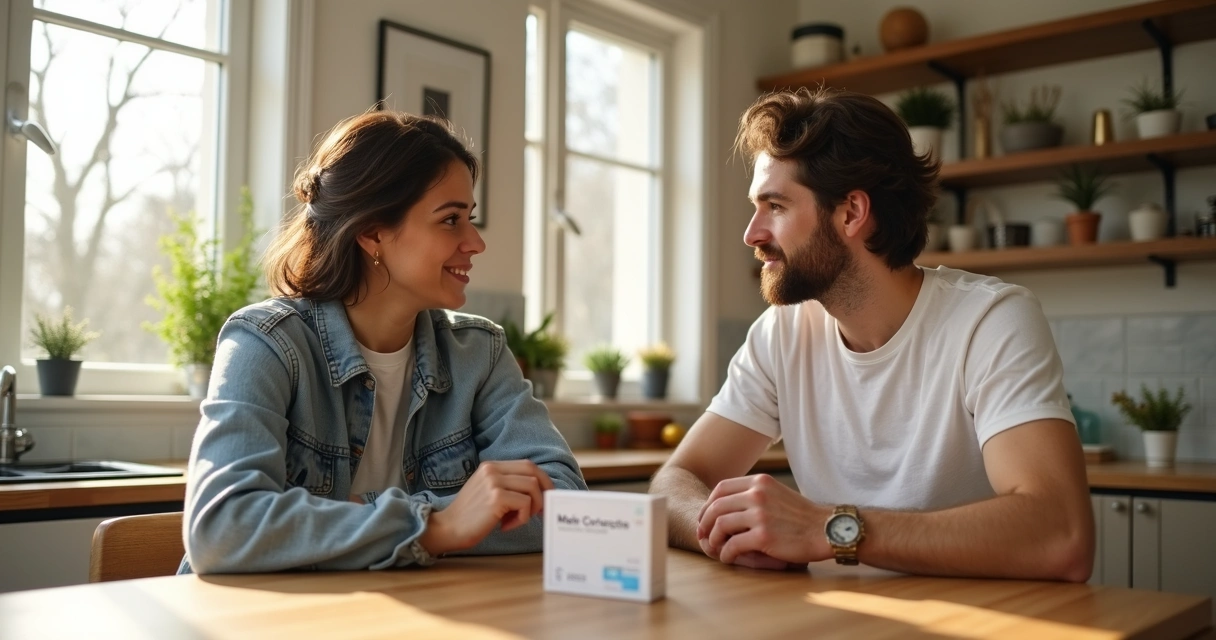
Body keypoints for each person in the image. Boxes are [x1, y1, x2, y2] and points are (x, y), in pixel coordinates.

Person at [650, 87, 1094, 582]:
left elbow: (1061, 534)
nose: (751, 233)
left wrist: (830, 529)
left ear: (851, 214)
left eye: (774, 205)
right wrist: (728, 532)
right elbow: (673, 483)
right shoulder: (783, 333)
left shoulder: (990, 320)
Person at [182, 111, 586, 574]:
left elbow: (563, 504)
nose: (475, 242)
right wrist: (437, 526)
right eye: (451, 220)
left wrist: (356, 511)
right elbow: (221, 528)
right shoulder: (266, 344)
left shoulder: (480, 353)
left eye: (468, 218)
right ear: (372, 231)